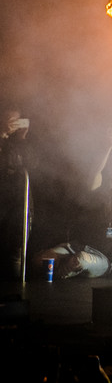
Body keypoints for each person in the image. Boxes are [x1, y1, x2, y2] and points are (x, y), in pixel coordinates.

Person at [41, 127, 112, 279]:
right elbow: (94, 173)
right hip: (78, 245)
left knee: (81, 260)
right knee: (42, 259)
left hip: (103, 258)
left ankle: (65, 270)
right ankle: (63, 269)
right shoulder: (99, 186)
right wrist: (107, 147)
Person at [0, 108, 31, 280]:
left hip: (19, 205)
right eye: (11, 120)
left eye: (18, 120)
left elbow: (32, 164)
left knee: (16, 251)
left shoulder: (19, 143)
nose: (14, 124)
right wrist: (2, 133)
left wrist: (22, 138)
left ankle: (17, 290)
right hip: (3, 202)